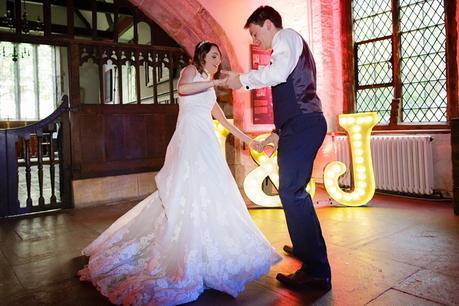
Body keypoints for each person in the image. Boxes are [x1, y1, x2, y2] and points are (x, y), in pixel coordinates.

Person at [78, 41, 281, 306]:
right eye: (213, 55)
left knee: (210, 191)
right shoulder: (190, 73)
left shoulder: (208, 84)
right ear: (201, 56)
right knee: (185, 189)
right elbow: (183, 90)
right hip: (188, 140)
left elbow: (223, 120)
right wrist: (213, 83)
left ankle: (210, 251)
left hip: (206, 141)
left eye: (219, 56)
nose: (217, 60)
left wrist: (250, 141)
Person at [223, 6, 331, 291]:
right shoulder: (285, 46)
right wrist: (276, 132)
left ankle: (317, 270)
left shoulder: (287, 37)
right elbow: (289, 95)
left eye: (256, 34)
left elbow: (280, 74)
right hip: (297, 127)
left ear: (269, 24)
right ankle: (305, 248)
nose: (255, 42)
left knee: (292, 193)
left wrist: (242, 80)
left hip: (305, 125)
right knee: (293, 191)